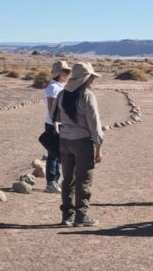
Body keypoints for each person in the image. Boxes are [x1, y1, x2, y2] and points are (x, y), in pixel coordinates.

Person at [50, 62, 104, 227]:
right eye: (92, 77)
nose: (93, 80)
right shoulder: (87, 96)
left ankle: (67, 215)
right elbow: (94, 125)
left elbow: (54, 117)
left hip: (65, 141)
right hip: (82, 142)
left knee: (68, 180)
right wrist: (99, 148)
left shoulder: (62, 94)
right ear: (86, 78)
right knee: (84, 179)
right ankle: (81, 215)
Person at [44, 60, 71, 194]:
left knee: (59, 153)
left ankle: (56, 179)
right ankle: (51, 182)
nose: (68, 74)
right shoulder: (53, 87)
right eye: (66, 71)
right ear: (59, 73)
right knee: (53, 153)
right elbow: (51, 107)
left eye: (68, 71)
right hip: (54, 124)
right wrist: (56, 122)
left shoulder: (61, 86)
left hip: (61, 123)